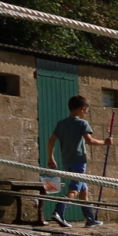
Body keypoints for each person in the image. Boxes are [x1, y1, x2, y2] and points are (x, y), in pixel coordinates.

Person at [46, 94, 110, 227]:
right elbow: (89, 141)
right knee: (74, 190)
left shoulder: (61, 124)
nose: (87, 112)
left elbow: (51, 141)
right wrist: (105, 142)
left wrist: (51, 157)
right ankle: (59, 212)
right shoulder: (82, 123)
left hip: (67, 161)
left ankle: (90, 219)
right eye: (86, 110)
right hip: (79, 161)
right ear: (82, 109)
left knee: (83, 190)